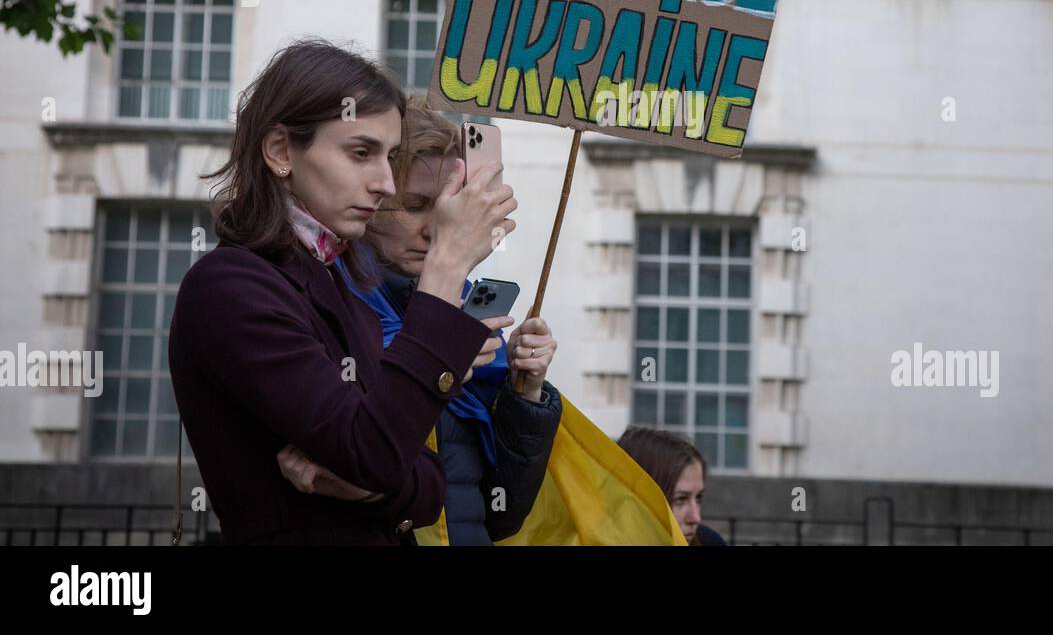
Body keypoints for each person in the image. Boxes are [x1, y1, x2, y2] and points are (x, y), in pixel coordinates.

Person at [168, 39, 514, 545]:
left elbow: (427, 485)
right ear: (282, 151)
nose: (384, 184)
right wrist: (447, 264)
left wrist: (370, 489)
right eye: (361, 152)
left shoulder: (342, 285)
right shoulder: (231, 287)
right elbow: (375, 451)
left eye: (389, 156)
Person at [336, 99, 562, 545]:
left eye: (447, 207)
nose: (435, 228)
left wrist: (526, 391)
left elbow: (503, 514)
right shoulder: (325, 300)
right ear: (372, 195)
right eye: (416, 204)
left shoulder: (475, 315)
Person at [618, 426, 727, 546]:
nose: (695, 518)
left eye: (698, 498)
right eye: (680, 499)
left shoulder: (709, 541)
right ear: (640, 498)